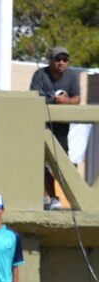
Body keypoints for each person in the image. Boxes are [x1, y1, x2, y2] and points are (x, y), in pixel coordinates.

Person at [30, 46, 81, 211]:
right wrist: (53, 100)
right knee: (40, 163)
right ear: (50, 60)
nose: (61, 63)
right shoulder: (39, 74)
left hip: (61, 129)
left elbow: (77, 98)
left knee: (62, 163)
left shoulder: (72, 75)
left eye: (65, 59)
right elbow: (34, 97)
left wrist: (64, 102)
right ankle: (51, 197)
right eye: (58, 59)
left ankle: (75, 198)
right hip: (41, 126)